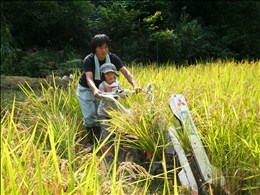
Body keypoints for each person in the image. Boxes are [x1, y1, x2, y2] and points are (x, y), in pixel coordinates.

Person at [77, 34, 141, 144]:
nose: (104, 50)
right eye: (100, 47)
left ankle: (100, 140)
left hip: (104, 89)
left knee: (101, 115)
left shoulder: (112, 58)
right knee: (90, 116)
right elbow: (89, 78)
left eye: (106, 47)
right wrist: (95, 90)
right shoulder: (89, 59)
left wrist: (135, 85)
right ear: (95, 49)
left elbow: (126, 72)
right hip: (87, 89)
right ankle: (91, 140)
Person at [97, 63, 126, 159]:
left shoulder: (117, 84)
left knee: (120, 131)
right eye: (107, 74)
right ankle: (108, 154)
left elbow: (123, 96)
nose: (110, 76)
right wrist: (110, 92)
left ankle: (121, 150)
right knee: (106, 132)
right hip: (104, 113)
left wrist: (123, 93)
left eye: (112, 73)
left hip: (115, 112)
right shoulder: (102, 85)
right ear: (103, 76)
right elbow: (103, 97)